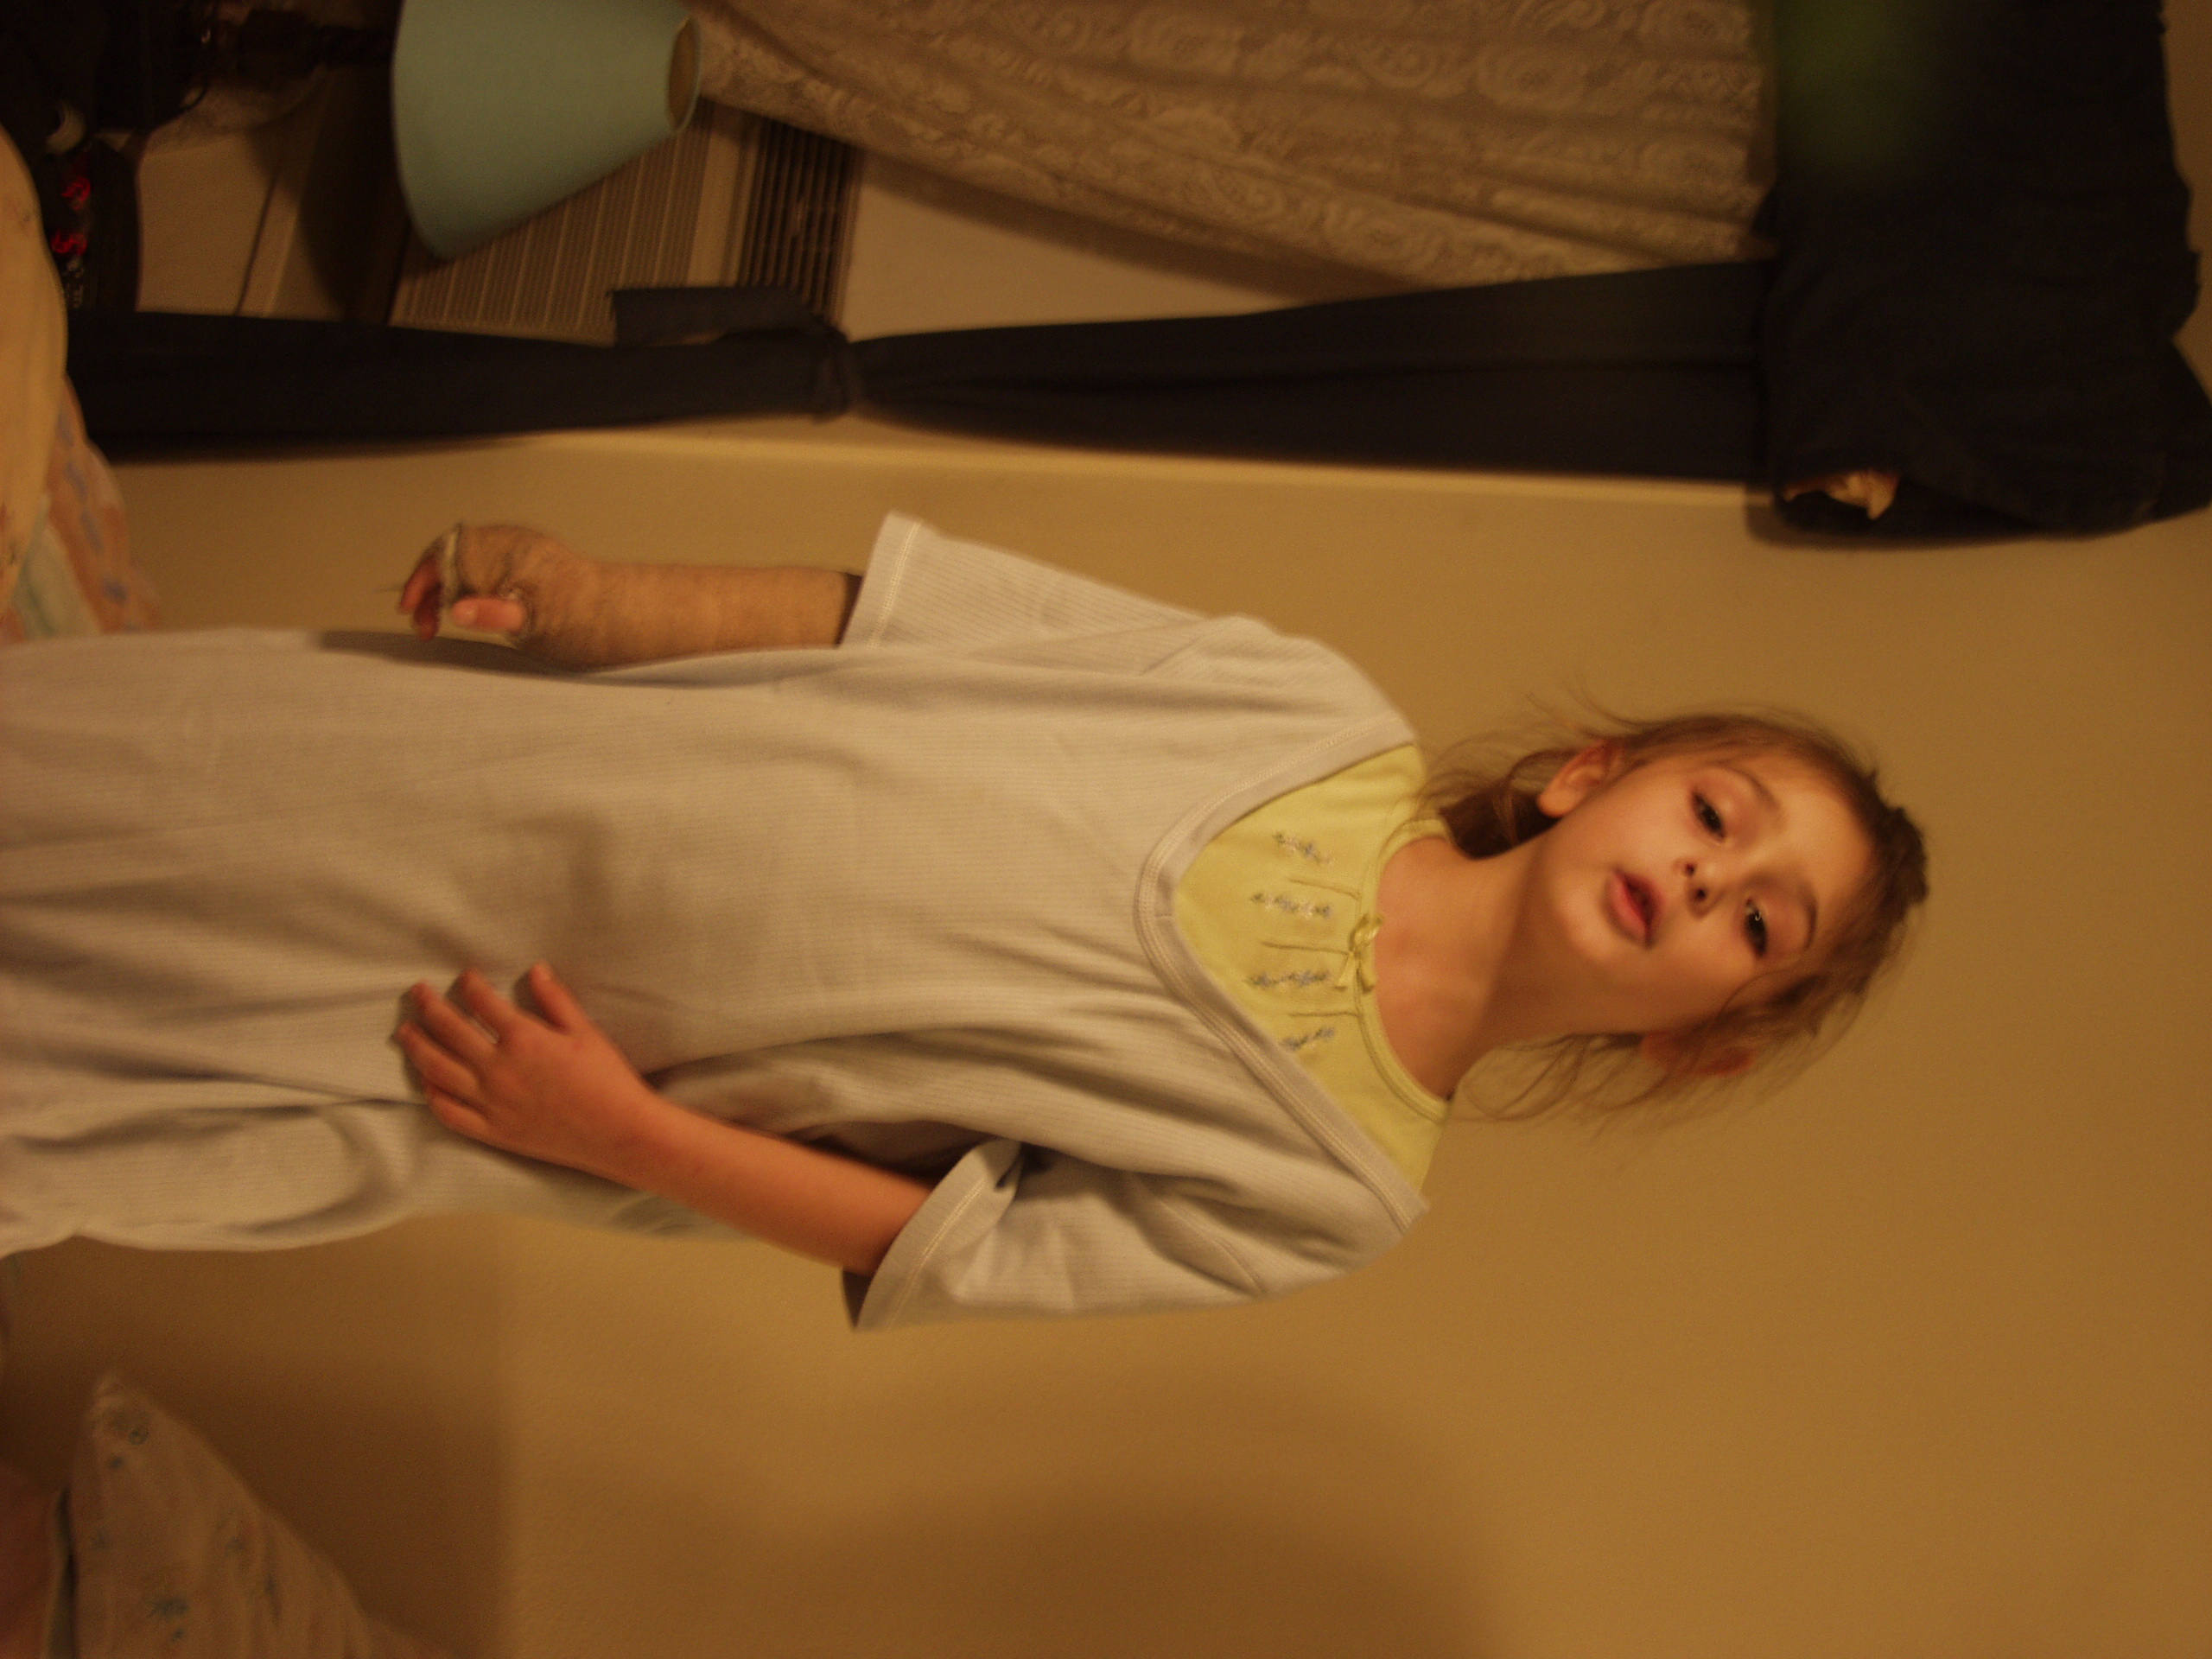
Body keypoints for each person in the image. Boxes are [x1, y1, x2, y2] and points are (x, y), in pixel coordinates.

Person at [0, 515, 1926, 1327]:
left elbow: (945, 1244)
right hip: (505, 768)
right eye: (1716, 815)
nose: (1708, 879)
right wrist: (593, 593)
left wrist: (618, 1133)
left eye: (1757, 927)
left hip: (539, 1043)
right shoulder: (1308, 710)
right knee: (112, 780)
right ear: (1597, 770)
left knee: (104, 1085)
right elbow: (893, 619)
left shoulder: (1337, 1193)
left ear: (1698, 1031)